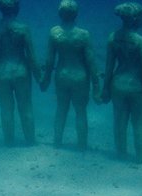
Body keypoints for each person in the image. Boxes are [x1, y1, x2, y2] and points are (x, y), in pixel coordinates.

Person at [100, 2, 142, 163]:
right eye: (141, 17)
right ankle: (141, 158)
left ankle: (120, 154)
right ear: (135, 19)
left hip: (117, 84)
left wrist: (105, 89)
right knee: (139, 124)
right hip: (138, 87)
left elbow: (109, 67)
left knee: (119, 121)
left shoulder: (113, 37)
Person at [41, 0, 98, 149]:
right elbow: (91, 61)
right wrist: (97, 86)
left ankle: (57, 142)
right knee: (80, 111)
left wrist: (46, 79)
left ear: (60, 13)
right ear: (76, 14)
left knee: (61, 109)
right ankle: (82, 145)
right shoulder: (84, 35)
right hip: (80, 77)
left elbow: (49, 60)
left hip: (62, 76)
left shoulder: (54, 32)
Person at [0, 0, 39, 146]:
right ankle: (30, 141)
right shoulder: (24, 29)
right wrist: (39, 76)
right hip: (21, 71)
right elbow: (31, 56)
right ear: (16, 8)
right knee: (26, 107)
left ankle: (9, 141)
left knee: (6, 109)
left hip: (1, 73)